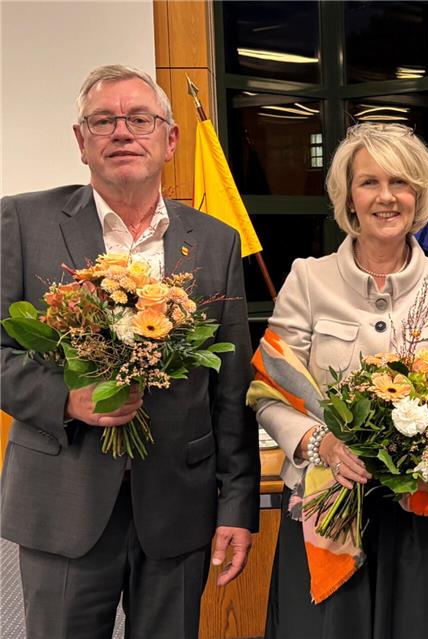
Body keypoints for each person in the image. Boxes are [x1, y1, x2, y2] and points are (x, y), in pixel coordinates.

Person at [0, 65, 259, 638]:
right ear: (80, 142)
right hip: (62, 498)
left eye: (139, 119)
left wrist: (237, 506)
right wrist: (66, 398)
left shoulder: (215, 241)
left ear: (170, 140)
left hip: (178, 505)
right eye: (103, 121)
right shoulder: (21, 221)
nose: (122, 132)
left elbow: (231, 389)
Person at [253, 122, 428, 639]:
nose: (386, 197)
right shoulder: (308, 278)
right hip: (326, 506)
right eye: (369, 182)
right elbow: (269, 388)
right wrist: (318, 443)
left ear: (419, 194)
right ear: (348, 197)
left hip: (422, 507)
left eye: (400, 183)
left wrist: (427, 443)